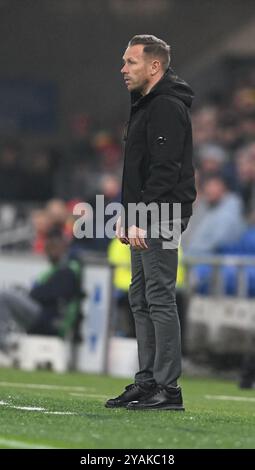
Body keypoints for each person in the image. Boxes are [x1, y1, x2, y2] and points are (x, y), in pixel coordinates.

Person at [105, 35, 196, 410]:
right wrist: (129, 214)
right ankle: (147, 381)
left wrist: (141, 215)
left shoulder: (165, 107)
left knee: (158, 298)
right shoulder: (148, 104)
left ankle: (167, 389)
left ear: (154, 66)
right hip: (147, 214)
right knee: (141, 297)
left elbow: (164, 169)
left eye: (130, 62)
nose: (123, 69)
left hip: (162, 214)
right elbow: (143, 170)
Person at [0, 228, 83, 353]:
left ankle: (3, 342)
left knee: (4, 296)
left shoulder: (68, 270)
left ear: (62, 247)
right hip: (43, 314)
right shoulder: (56, 270)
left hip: (48, 318)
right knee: (9, 297)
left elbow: (51, 294)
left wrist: (35, 293)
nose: (48, 251)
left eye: (53, 247)